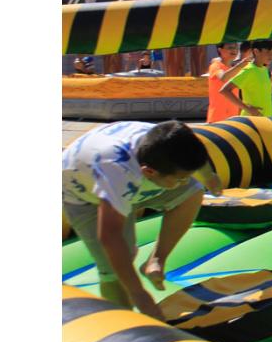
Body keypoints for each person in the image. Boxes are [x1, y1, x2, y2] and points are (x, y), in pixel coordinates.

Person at [62, 120, 222, 319]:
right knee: (114, 271)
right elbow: (110, 236)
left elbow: (193, 151)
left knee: (192, 191)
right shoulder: (115, 169)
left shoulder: (167, 143)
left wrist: (209, 176)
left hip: (131, 184)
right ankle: (123, 329)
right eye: (180, 178)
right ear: (149, 172)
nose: (184, 180)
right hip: (86, 196)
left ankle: (155, 260)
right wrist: (139, 294)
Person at [220, 39, 272, 117]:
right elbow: (224, 90)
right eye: (267, 52)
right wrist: (247, 108)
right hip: (251, 122)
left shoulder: (264, 69)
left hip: (266, 120)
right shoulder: (249, 70)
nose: (271, 56)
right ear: (256, 52)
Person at [206, 42, 252, 123]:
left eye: (236, 47)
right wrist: (241, 65)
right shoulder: (216, 65)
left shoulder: (234, 68)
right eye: (230, 47)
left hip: (233, 117)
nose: (234, 50)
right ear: (220, 50)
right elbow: (223, 77)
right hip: (217, 117)